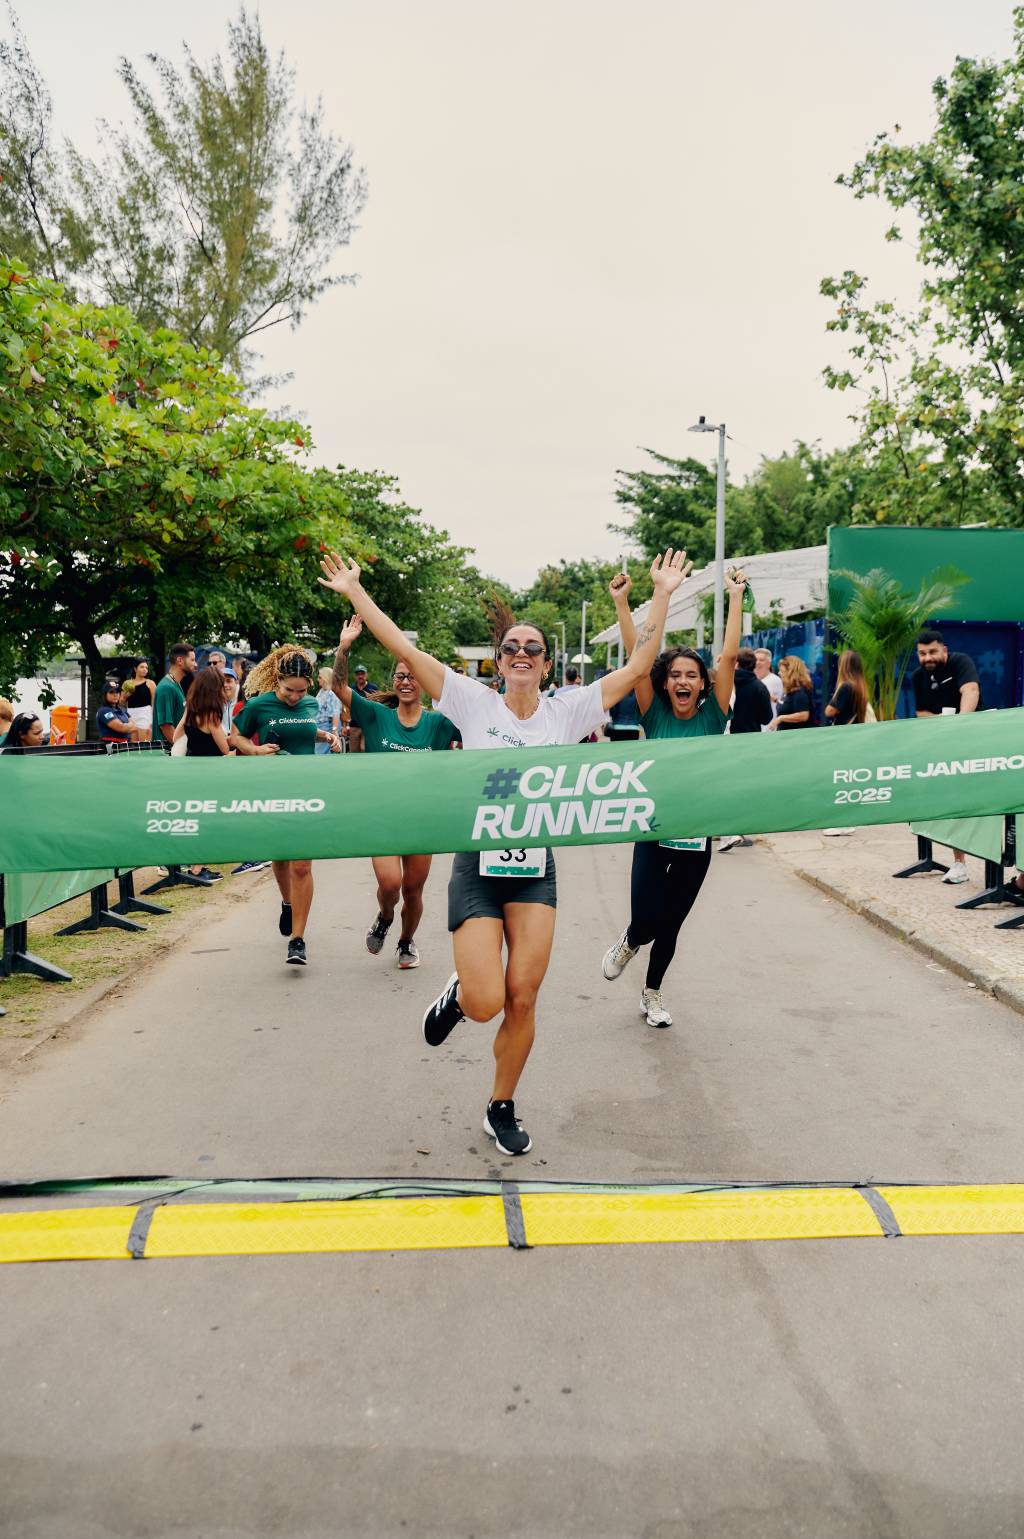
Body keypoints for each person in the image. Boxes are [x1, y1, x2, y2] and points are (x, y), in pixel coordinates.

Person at [318, 544, 692, 1157]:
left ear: (545, 664)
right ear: (498, 662)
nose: (521, 655)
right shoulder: (472, 702)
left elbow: (640, 666)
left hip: (533, 872)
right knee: (487, 999)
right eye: (511, 648)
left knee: (523, 994)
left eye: (532, 649)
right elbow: (404, 652)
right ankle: (459, 995)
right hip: (478, 867)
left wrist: (661, 595)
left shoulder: (567, 710)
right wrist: (356, 592)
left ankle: (501, 1105)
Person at [602, 568, 748, 1027]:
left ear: (702, 686)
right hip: (653, 829)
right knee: (645, 918)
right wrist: (624, 605)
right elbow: (637, 657)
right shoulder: (655, 712)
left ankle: (652, 994)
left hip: (695, 838)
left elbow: (726, 658)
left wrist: (737, 597)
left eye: (692, 675)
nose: (683, 681)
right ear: (666, 683)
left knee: (671, 925)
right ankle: (629, 940)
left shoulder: (713, 715)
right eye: (676, 675)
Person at [330, 614, 460, 968]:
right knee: (390, 885)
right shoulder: (375, 716)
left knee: (413, 891)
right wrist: (344, 647)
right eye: (400, 676)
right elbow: (339, 688)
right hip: (382, 818)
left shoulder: (439, 723)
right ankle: (385, 917)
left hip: (421, 820)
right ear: (393, 680)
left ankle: (406, 941)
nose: (406, 682)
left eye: (413, 676)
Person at [230, 647, 341, 966]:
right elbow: (234, 736)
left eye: (301, 690)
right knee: (281, 858)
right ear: (278, 681)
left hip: (306, 791)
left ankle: (298, 939)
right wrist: (253, 750)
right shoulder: (259, 704)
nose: (295, 696)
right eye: (289, 690)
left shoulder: (309, 702)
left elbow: (303, 729)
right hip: (272, 791)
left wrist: (326, 736)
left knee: (302, 865)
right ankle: (288, 903)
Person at [911, 629, 982, 885]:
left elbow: (971, 690)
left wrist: (959, 725)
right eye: (922, 653)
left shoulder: (960, 662)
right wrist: (943, 723)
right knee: (954, 802)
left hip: (975, 743)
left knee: (988, 806)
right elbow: (921, 713)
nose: (927, 657)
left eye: (932, 651)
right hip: (943, 748)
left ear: (944, 650)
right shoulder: (918, 676)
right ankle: (959, 864)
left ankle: (1006, 868)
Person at [718, 646, 772, 853]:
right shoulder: (759, 687)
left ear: (736, 663)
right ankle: (737, 829)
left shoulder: (725, 684)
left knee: (725, 784)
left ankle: (724, 828)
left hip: (726, 741)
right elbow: (766, 718)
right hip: (749, 743)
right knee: (743, 788)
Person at [173, 665, 234, 757]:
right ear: (215, 689)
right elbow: (225, 749)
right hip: (210, 766)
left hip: (191, 762)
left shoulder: (190, 709)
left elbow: (175, 737)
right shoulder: (211, 715)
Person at [153, 643, 197, 749]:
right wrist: (182, 749)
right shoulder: (166, 688)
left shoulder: (175, 684)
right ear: (180, 661)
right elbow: (166, 726)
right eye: (192, 660)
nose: (195, 664)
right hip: (167, 754)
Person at [768, 657, 816, 730]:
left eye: (781, 671)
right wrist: (776, 700)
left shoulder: (800, 691)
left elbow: (803, 715)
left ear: (791, 672)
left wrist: (780, 718)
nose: (779, 673)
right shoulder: (792, 690)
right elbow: (790, 707)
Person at [124, 660, 155, 741]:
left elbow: (154, 703)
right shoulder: (128, 683)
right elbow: (120, 703)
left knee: (144, 744)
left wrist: (153, 720)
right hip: (130, 715)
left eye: (146, 668)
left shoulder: (150, 683)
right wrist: (125, 696)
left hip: (145, 714)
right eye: (142, 667)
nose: (145, 669)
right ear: (135, 669)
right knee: (132, 746)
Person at [315, 667, 342, 755]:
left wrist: (334, 731)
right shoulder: (321, 692)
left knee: (321, 754)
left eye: (320, 677)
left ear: (326, 678)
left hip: (328, 727)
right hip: (319, 727)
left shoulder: (332, 692)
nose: (318, 679)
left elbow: (336, 712)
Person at [754, 649, 784, 724]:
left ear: (769, 664)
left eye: (761, 660)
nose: (757, 662)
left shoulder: (774, 680)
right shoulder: (754, 680)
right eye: (756, 660)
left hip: (768, 728)